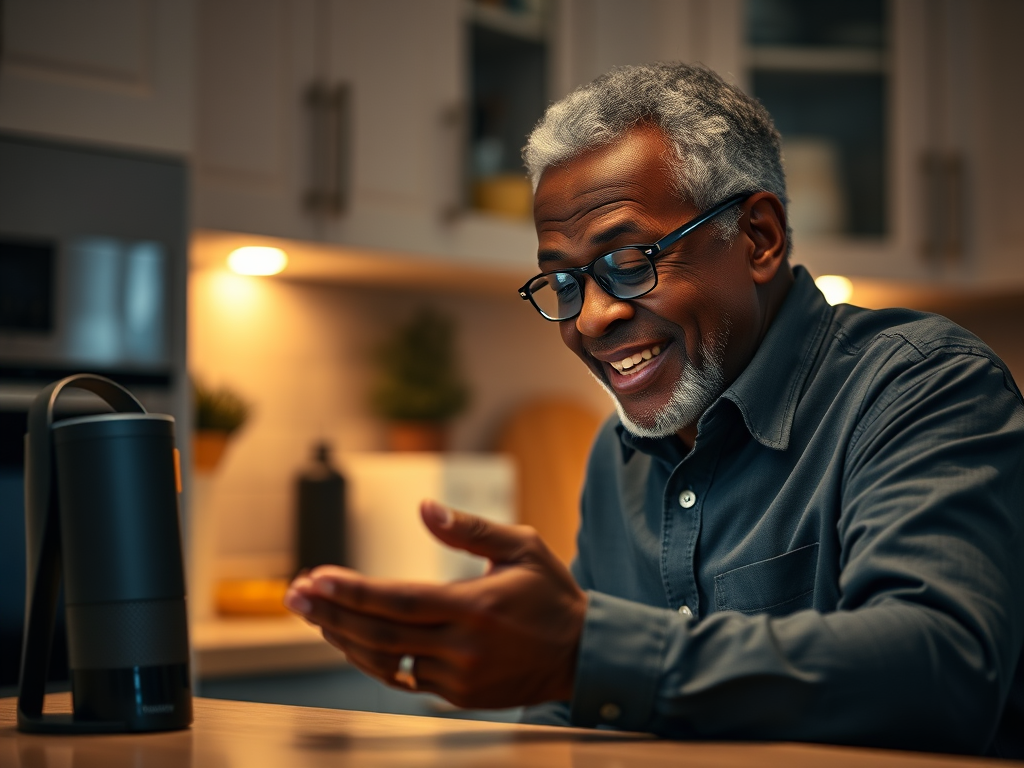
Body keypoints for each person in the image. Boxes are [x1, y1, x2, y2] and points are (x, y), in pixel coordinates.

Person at [285, 62, 1024, 757]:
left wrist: (584, 651)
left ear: (757, 238)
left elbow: (944, 670)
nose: (592, 317)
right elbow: (577, 707)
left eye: (630, 260)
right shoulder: (624, 455)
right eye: (564, 283)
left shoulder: (923, 388)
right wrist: (544, 678)